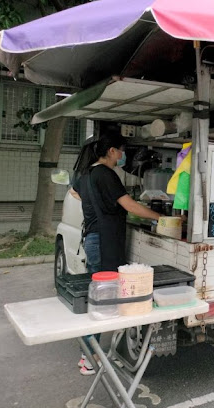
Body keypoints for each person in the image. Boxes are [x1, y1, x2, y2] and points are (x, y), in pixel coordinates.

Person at [70, 132, 160, 374]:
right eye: (121, 151)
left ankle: (94, 355)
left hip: (93, 239)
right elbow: (129, 205)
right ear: (111, 151)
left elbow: (74, 192)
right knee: (105, 301)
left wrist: (93, 203)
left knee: (102, 299)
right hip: (104, 242)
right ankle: (89, 358)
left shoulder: (87, 173)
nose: (122, 155)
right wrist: (162, 217)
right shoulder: (106, 174)